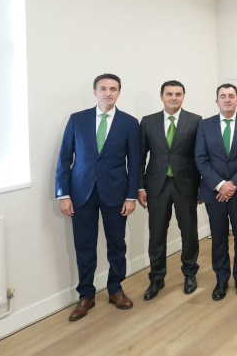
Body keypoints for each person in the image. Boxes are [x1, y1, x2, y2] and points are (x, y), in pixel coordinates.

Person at [55, 73, 140, 321]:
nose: (108, 93)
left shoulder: (129, 123)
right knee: (84, 246)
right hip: (81, 194)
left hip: (116, 194)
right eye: (103, 88)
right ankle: (86, 295)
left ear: (119, 93)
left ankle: (115, 289)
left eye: (113, 89)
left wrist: (131, 197)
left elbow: (135, 163)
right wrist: (63, 194)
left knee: (117, 244)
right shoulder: (77, 119)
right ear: (95, 92)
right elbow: (64, 158)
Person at [137, 80, 202, 300]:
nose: (173, 97)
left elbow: (201, 156)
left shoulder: (195, 121)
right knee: (156, 234)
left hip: (186, 185)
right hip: (156, 186)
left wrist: (201, 185)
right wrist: (140, 186)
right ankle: (156, 278)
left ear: (183, 96)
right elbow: (140, 157)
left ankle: (190, 274)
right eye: (169, 94)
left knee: (189, 232)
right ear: (161, 96)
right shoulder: (148, 122)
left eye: (178, 94)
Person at [195, 83, 237, 301]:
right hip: (214, 192)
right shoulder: (204, 125)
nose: (227, 99)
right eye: (223, 96)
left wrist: (233, 184)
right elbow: (201, 159)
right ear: (217, 101)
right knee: (218, 238)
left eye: (231, 96)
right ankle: (221, 280)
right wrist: (220, 184)